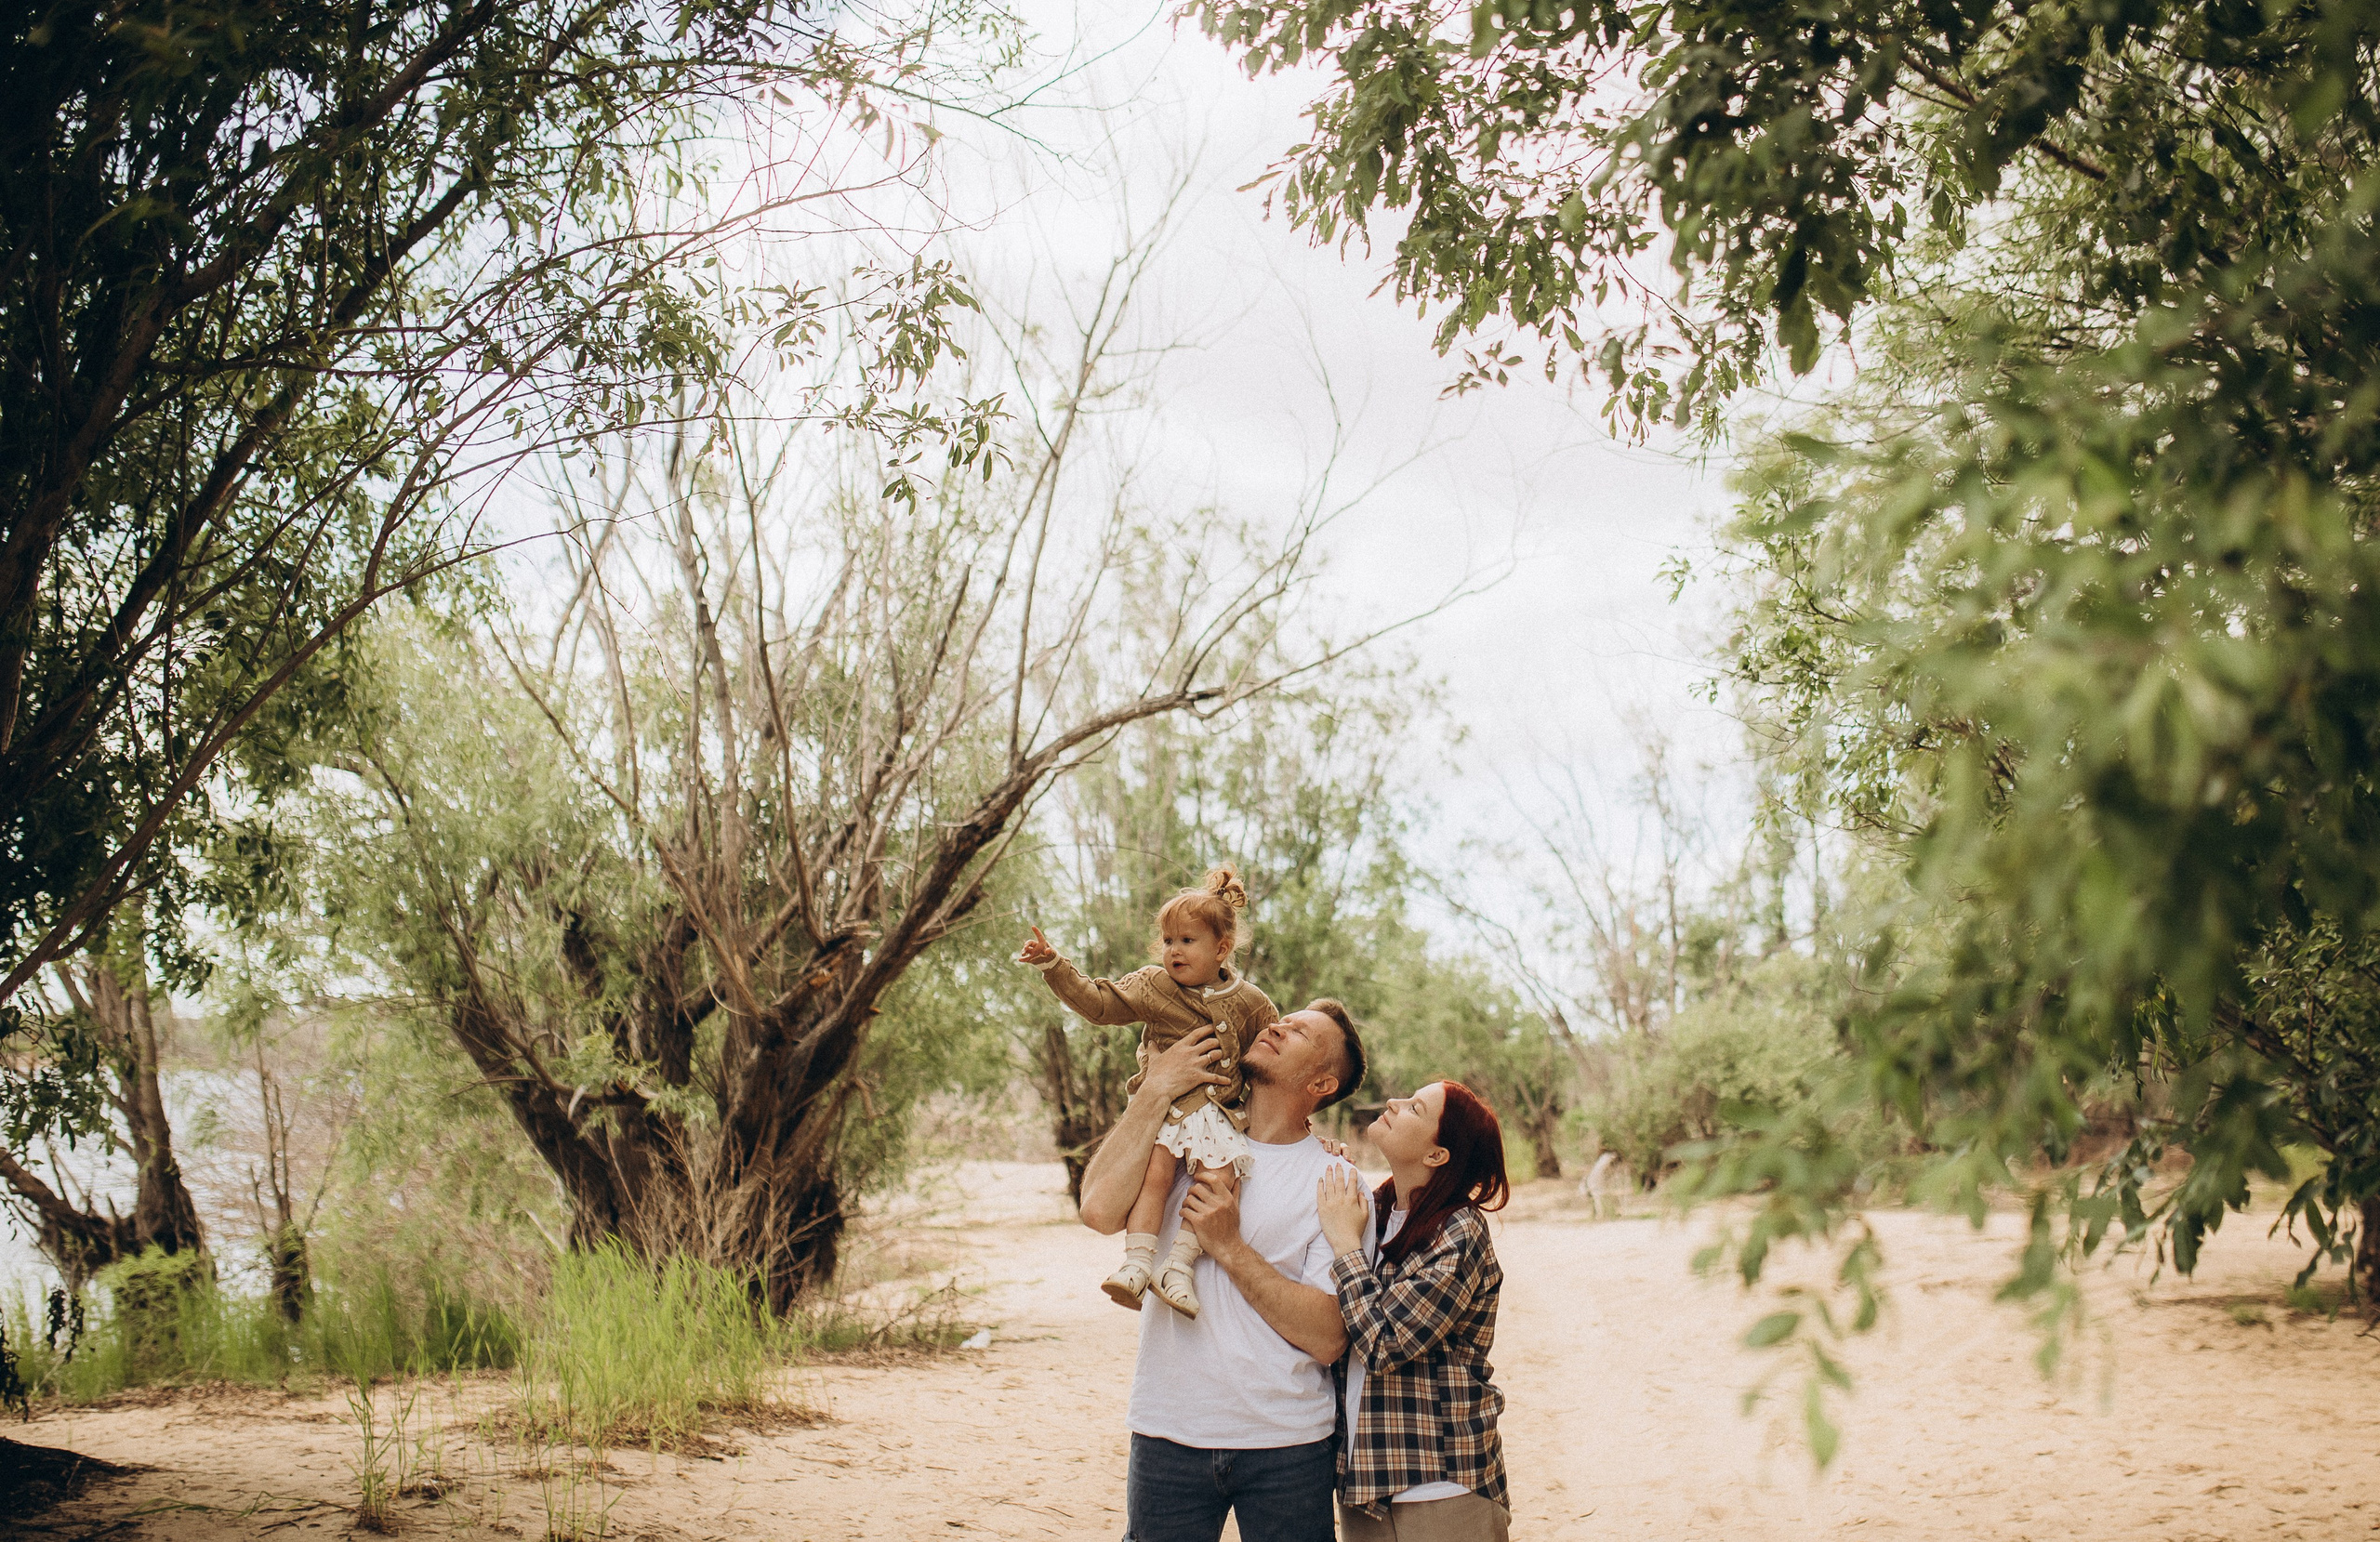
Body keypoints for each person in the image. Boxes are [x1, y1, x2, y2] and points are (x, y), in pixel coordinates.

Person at [1078, 998, 1371, 1542]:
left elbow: (1329, 1337)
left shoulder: (1335, 1181)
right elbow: (1097, 1210)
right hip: (1167, 1431)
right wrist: (1156, 1088)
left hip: (1287, 1442)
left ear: (1322, 1084)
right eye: (1283, 1020)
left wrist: (1230, 1246)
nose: (1279, 1026)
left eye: (1301, 1033)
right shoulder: (1182, 1132)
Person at [1020, 866, 1279, 1315]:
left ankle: (1177, 1267)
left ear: (1222, 947)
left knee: (1217, 1185)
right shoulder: (1153, 986)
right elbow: (1098, 1003)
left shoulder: (1252, 1003)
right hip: (1168, 1115)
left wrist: (1303, 1122)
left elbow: (1272, 1066)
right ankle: (1136, 1265)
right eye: (1168, 941)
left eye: (1187, 940)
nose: (1173, 951)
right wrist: (1053, 965)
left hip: (1221, 1117)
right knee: (1154, 1182)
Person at [1317, 1081, 1513, 1542]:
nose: (1393, 1104)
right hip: (1365, 1483)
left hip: (1441, 1485)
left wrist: (1346, 1246)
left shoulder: (1459, 1230)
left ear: (1436, 1155)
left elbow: (1385, 1344)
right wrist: (1322, 1163)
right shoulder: (1374, 1211)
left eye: (1414, 1108)